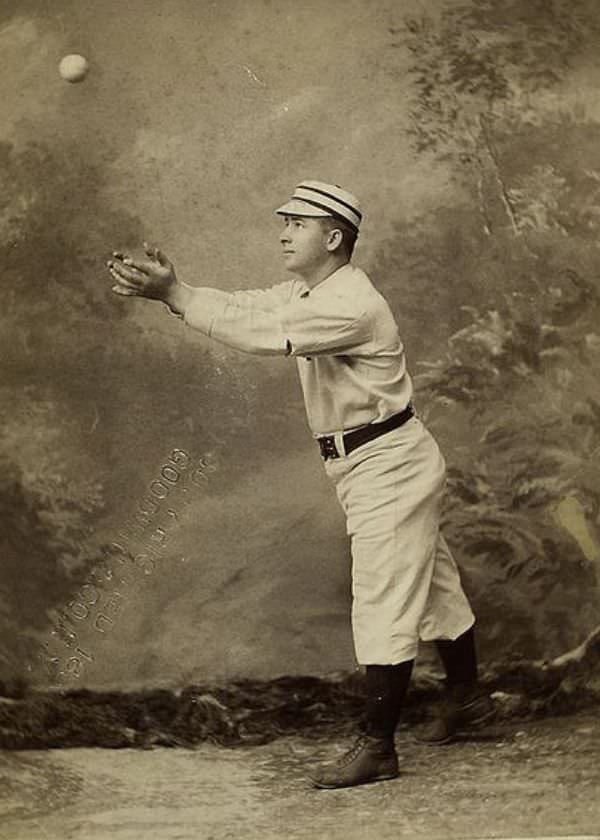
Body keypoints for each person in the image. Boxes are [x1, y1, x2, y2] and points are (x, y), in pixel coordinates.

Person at [107, 180, 493, 789]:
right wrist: (175, 295)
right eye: (283, 222)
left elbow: (265, 336)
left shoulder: (351, 304)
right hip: (375, 458)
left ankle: (378, 746)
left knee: (383, 598)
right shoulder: (312, 289)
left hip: (387, 462)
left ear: (333, 238)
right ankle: (468, 702)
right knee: (434, 587)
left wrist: (176, 294)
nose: (283, 232)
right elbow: (252, 309)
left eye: (298, 223)